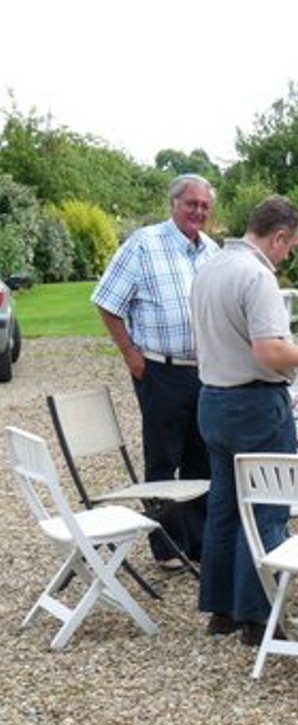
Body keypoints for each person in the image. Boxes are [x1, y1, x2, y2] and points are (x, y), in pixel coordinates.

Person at [190, 195, 298, 644]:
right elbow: (270, 351)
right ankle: (259, 616)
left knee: (225, 507)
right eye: (290, 246)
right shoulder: (257, 275)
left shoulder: (210, 266)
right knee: (268, 507)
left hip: (212, 398)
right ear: (279, 236)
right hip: (254, 404)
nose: (288, 254)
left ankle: (222, 610)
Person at [92, 173, 219, 564]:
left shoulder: (212, 251)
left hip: (205, 372)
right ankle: (167, 546)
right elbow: (107, 302)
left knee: (202, 457)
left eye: (204, 206)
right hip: (159, 370)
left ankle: (196, 544)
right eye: (191, 204)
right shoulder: (144, 244)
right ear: (173, 203)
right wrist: (131, 355)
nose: (198, 211)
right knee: (164, 459)